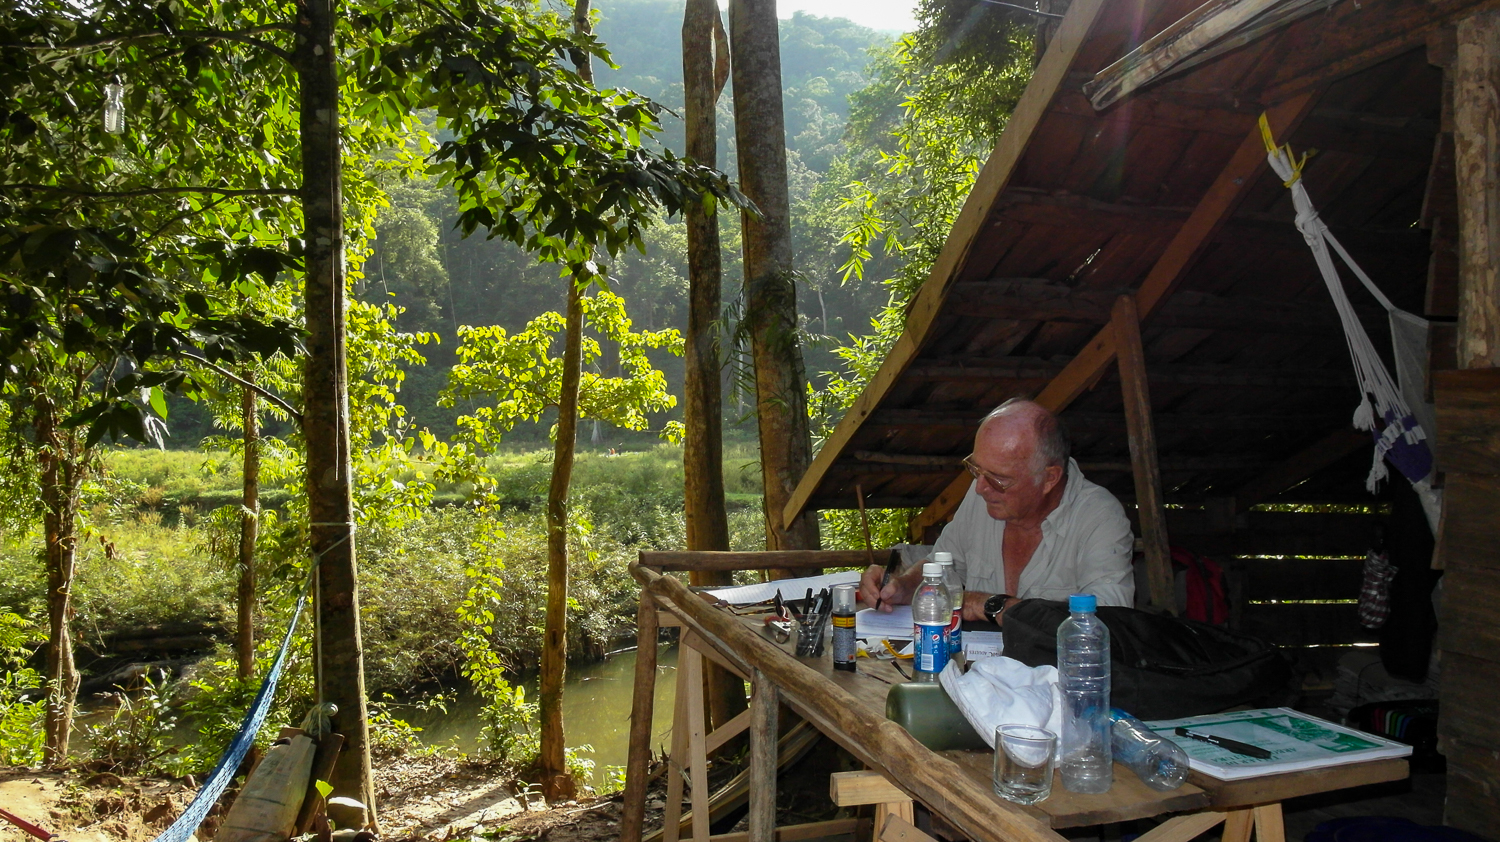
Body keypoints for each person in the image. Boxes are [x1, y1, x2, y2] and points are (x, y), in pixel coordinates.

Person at [857, 398, 1134, 625]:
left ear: (1049, 478)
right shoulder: (983, 496)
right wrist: (904, 587)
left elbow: (1110, 623)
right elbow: (943, 566)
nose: (980, 488)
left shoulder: (1099, 518)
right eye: (976, 469)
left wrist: (987, 604)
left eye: (999, 480)